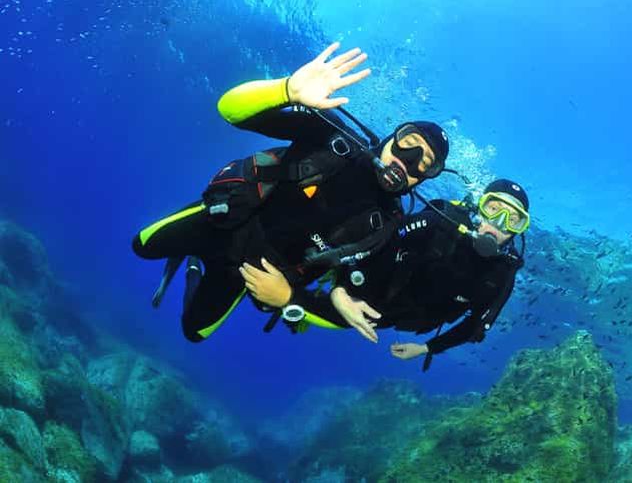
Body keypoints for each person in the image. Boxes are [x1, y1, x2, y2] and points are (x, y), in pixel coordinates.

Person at [132, 42, 450, 342]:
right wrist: (286, 90)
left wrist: (289, 298)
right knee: (141, 247)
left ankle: (192, 267)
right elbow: (229, 109)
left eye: (426, 164)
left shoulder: (387, 228)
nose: (409, 161)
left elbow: (349, 314)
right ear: (391, 138)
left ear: (423, 180)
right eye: (409, 143)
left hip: (250, 273)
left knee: (194, 333)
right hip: (220, 222)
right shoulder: (332, 138)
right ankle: (190, 252)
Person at [244, 179, 530, 370]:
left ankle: (297, 300)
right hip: (376, 290)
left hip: (407, 317)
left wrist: (426, 348)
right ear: (479, 208)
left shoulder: (503, 273)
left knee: (349, 317)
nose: (498, 223)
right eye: (493, 209)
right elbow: (380, 242)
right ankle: (291, 295)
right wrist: (341, 288)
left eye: (513, 220)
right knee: (341, 315)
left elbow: (474, 327)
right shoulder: (439, 222)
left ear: (518, 231)